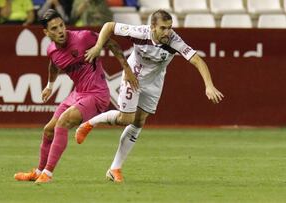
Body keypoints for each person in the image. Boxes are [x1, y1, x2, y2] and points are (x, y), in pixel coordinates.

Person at [75, 9, 224, 183]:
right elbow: (109, 26)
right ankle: (89, 123)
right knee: (126, 119)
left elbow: (197, 60)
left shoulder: (173, 41)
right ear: (152, 27)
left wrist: (209, 85)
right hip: (134, 76)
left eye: (170, 27)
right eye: (163, 28)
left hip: (155, 81)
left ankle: (115, 168)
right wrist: (98, 46)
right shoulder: (139, 33)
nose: (168, 32)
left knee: (139, 122)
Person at [14, 9, 138, 184]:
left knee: (63, 122)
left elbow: (112, 44)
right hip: (78, 93)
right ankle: (38, 171)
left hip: (97, 94)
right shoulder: (51, 50)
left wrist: (127, 69)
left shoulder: (83, 37)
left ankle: (47, 174)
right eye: (54, 28)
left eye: (61, 26)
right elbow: (54, 65)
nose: (60, 31)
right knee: (48, 130)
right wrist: (49, 86)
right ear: (46, 32)